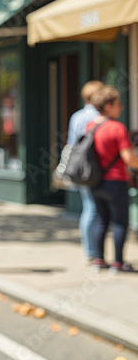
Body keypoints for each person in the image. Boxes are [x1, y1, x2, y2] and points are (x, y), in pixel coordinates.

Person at [85, 86, 138, 274]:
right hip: (116, 181)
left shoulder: (91, 126)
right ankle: (118, 263)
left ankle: (99, 260)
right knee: (120, 222)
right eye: (118, 104)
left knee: (101, 220)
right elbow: (128, 158)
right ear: (108, 106)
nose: (121, 108)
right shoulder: (117, 128)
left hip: (95, 182)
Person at [67, 81, 104, 263]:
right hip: (96, 167)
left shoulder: (77, 116)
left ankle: (90, 250)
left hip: (81, 168)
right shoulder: (98, 116)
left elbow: (71, 144)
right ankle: (94, 252)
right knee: (94, 209)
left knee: (89, 208)